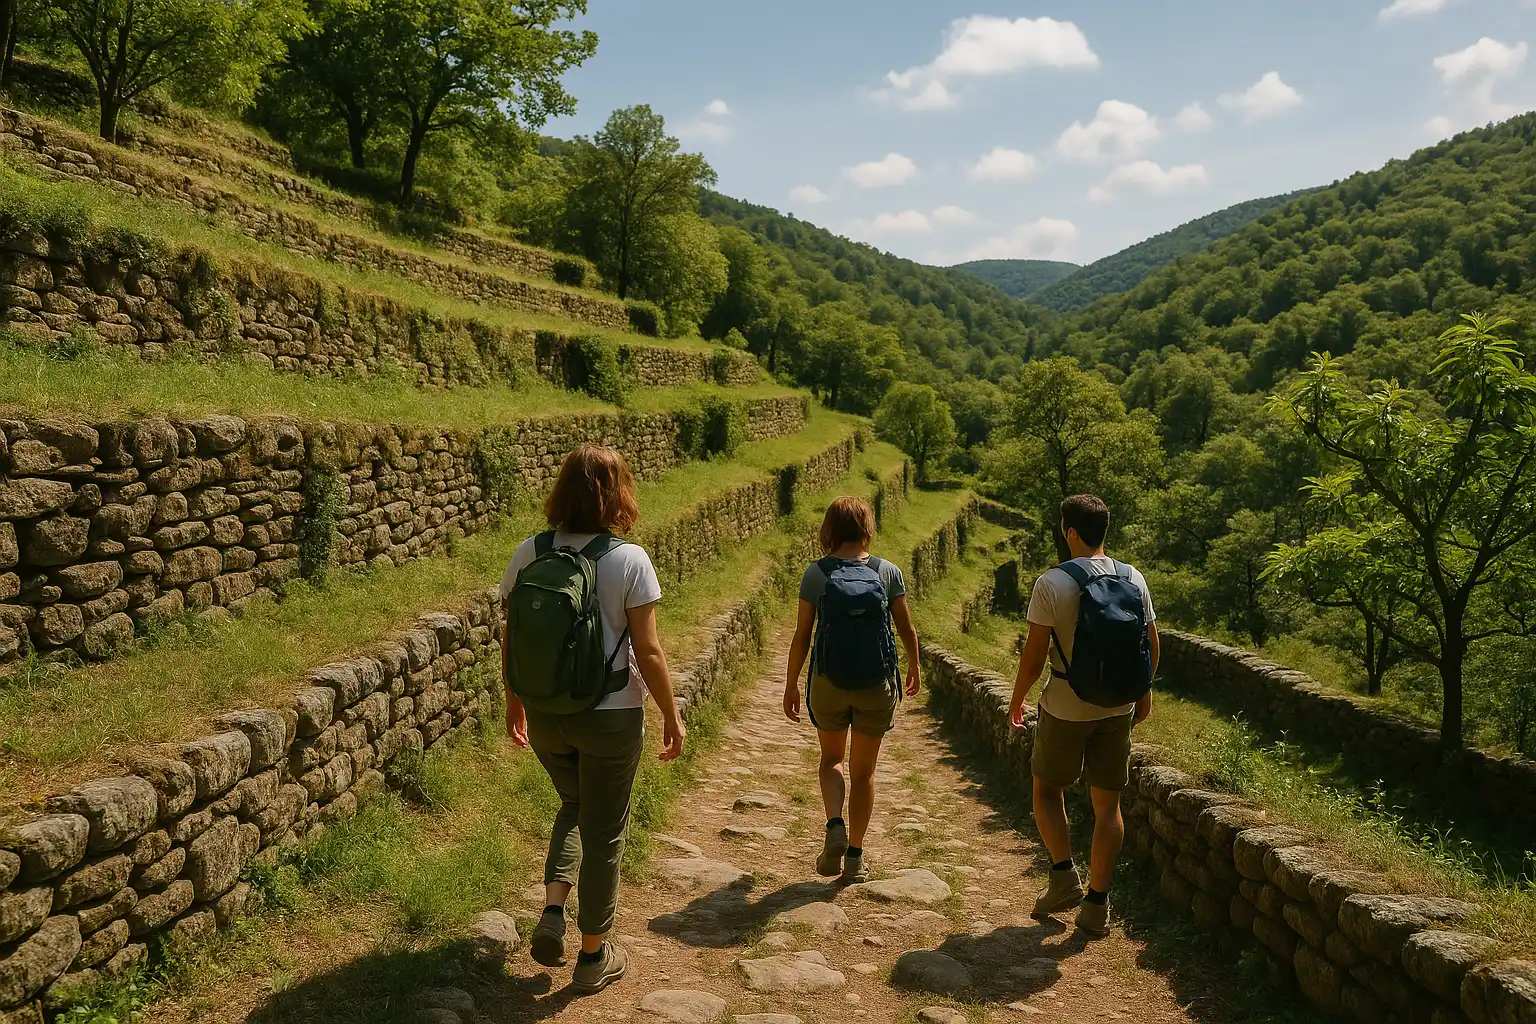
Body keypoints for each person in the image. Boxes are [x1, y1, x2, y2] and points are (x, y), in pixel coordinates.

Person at [500, 445, 686, 995]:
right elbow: (648, 651)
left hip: (546, 712)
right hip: (610, 717)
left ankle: (553, 910)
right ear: (618, 494)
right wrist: (672, 715)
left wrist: (514, 701)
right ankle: (592, 955)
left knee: (574, 805)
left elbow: (513, 637)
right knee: (605, 832)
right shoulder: (630, 560)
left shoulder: (530, 551)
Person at [1008, 494, 1159, 938]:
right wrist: (1142, 691)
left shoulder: (1052, 583)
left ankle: (1062, 877)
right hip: (1118, 708)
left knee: (1046, 789)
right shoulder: (1133, 577)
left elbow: (1034, 656)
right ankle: (1097, 904)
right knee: (1107, 806)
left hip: (1065, 706)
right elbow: (1151, 643)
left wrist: (1017, 699)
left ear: (1070, 532)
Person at [783, 496, 921, 883]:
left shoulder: (816, 574)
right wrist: (914, 664)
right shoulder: (887, 572)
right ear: (866, 528)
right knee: (864, 773)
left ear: (830, 528)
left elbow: (802, 635)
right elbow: (906, 628)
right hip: (876, 684)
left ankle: (834, 826)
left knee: (831, 760)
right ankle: (856, 857)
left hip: (829, 681)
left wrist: (791, 683)